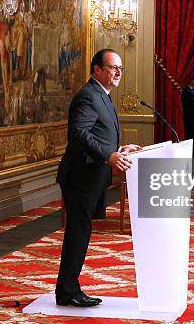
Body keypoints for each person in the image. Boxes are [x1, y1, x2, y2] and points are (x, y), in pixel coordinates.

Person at [55, 49, 141, 307]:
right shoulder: (88, 96)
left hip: (92, 176)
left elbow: (99, 134)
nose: (118, 73)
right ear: (97, 69)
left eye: (121, 69)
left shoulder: (101, 95)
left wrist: (118, 151)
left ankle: (68, 288)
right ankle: (67, 291)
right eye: (113, 67)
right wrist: (109, 155)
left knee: (81, 233)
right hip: (81, 177)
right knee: (77, 234)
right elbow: (79, 134)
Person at [181, 77, 194, 156]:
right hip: (189, 117)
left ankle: (193, 152)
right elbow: (193, 101)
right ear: (191, 80)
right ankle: (189, 153)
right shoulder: (186, 91)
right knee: (189, 136)